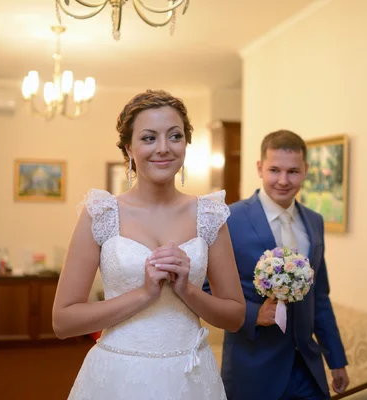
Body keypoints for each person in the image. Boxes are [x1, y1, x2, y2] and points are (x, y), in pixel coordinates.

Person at [53, 89, 245, 400]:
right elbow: (63, 321)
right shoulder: (100, 214)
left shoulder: (209, 215)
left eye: (175, 136)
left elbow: (235, 317)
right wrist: (144, 294)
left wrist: (187, 290)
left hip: (190, 376)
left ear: (186, 144)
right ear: (129, 147)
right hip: (118, 376)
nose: (164, 148)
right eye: (148, 138)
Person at [211, 130, 349, 400]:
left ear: (305, 170)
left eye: (293, 171)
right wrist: (254, 315)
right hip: (252, 368)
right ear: (260, 168)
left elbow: (320, 297)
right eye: (274, 170)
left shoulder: (314, 221)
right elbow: (206, 288)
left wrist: (336, 359)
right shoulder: (229, 218)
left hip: (307, 368)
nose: (283, 181)